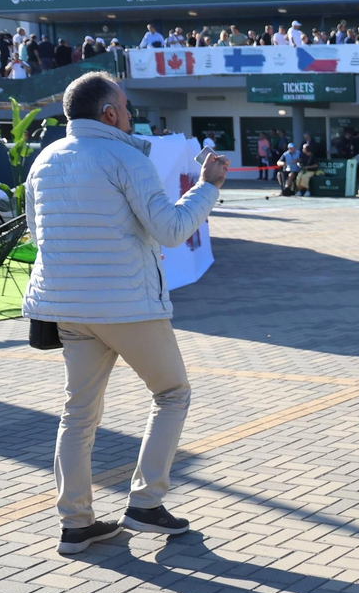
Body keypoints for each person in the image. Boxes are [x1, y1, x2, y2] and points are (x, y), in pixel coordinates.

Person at [23, 72, 224, 555]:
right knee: (172, 393)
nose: (132, 115)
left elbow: (36, 237)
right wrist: (207, 186)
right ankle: (146, 502)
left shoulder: (44, 160)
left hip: (65, 306)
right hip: (127, 304)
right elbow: (171, 229)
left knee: (78, 413)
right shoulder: (125, 157)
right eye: (127, 108)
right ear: (109, 113)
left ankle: (76, 523)